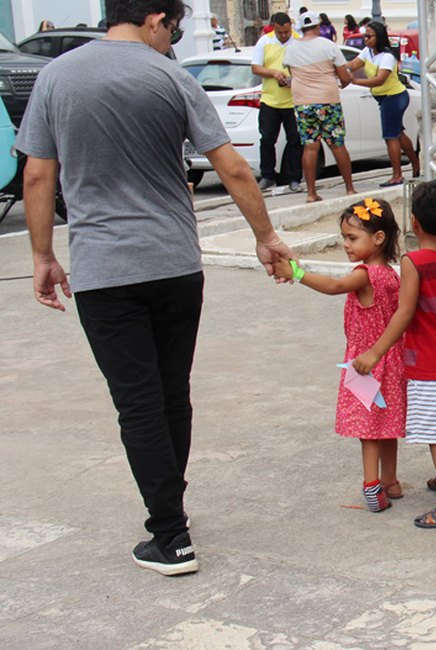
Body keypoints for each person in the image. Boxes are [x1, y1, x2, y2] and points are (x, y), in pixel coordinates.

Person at [17, 0, 294, 576]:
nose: (175, 39)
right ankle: (172, 509)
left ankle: (169, 535)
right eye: (175, 27)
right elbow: (236, 168)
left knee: (138, 402)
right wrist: (266, 236)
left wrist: (43, 255)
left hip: (104, 271)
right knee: (171, 394)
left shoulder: (56, 77)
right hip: (173, 264)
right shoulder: (169, 76)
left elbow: (39, 173)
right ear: (153, 18)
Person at [353, 180, 436, 529]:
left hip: (430, 364)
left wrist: (375, 352)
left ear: (414, 222)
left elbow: (404, 314)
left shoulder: (414, 261)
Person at [273, 198, 407, 512]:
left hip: (365, 362)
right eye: (344, 238)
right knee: (385, 424)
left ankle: (371, 484)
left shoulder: (365, 274)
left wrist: (296, 273)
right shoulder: (390, 275)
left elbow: (335, 286)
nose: (345, 244)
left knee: (367, 429)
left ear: (378, 239)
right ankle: (391, 480)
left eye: (352, 238)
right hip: (390, 358)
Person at [283, 12, 357, 202]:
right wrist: (344, 82)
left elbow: (292, 73)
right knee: (337, 144)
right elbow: (344, 76)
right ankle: (349, 188)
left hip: (303, 103)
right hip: (328, 100)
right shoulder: (328, 45)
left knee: (310, 147)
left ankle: (310, 193)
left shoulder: (291, 49)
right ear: (317, 27)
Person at [346, 21, 420, 187]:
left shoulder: (387, 57)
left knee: (390, 136)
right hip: (385, 98)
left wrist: (356, 81)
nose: (365, 39)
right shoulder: (368, 52)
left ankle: (397, 175)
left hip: (393, 97)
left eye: (369, 36)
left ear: (378, 37)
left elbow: (379, 80)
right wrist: (339, 66)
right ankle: (415, 164)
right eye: (365, 36)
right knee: (398, 133)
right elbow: (353, 64)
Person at [251, 13, 302, 191]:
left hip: (294, 101)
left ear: (291, 27)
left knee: (295, 141)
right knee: (267, 140)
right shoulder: (265, 41)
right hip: (270, 100)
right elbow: (255, 67)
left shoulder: (299, 41)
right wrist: (273, 73)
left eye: (286, 31)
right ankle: (267, 175)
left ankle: (294, 178)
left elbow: (306, 67)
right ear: (273, 27)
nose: (283, 35)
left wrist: (293, 78)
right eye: (280, 32)